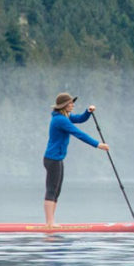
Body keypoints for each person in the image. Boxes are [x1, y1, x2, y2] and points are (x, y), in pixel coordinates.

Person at [44, 92, 109, 227]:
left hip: (57, 159)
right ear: (64, 105)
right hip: (52, 159)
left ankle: (51, 222)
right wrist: (98, 145)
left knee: (57, 190)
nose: (73, 105)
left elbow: (79, 119)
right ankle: (49, 223)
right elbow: (78, 133)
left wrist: (88, 112)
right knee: (52, 190)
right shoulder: (60, 120)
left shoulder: (65, 116)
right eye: (70, 103)